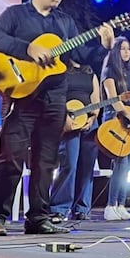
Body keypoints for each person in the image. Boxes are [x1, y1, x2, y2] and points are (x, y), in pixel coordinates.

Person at [0, 0, 114, 236]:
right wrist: (28, 48)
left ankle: (38, 218)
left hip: (55, 98)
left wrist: (103, 48)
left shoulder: (65, 22)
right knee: (11, 160)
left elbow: (81, 57)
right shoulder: (15, 14)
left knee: (47, 162)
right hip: (21, 97)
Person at [49, 59, 100, 222]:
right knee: (69, 164)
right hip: (69, 122)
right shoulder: (61, 69)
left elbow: (96, 100)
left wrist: (93, 118)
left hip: (89, 123)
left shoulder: (90, 72)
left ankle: (81, 208)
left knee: (87, 167)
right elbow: (56, 96)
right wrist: (64, 116)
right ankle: (59, 208)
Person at [100, 36, 130, 222]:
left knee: (128, 164)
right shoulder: (110, 71)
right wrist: (126, 113)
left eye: (128, 49)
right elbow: (113, 99)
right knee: (121, 163)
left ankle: (121, 205)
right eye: (122, 49)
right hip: (115, 119)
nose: (126, 52)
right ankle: (111, 205)